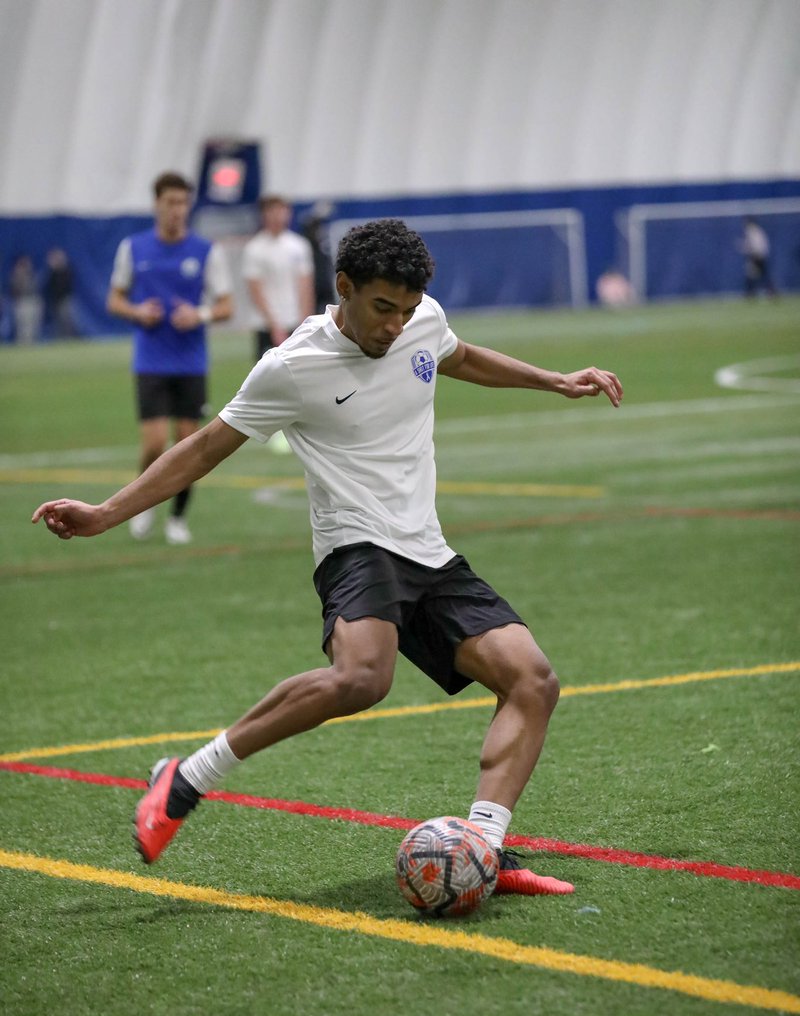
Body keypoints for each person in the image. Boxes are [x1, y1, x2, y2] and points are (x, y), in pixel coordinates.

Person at [32, 219, 623, 901]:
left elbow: (457, 356)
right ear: (343, 287)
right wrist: (107, 513)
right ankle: (188, 778)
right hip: (356, 546)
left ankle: (482, 849)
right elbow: (202, 449)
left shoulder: (421, 319)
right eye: (381, 308)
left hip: (427, 548)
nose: (396, 326)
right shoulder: (291, 366)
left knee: (533, 682)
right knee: (363, 679)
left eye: (406, 311)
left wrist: (555, 380)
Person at [107, 170, 234, 545]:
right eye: (170, 203)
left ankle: (178, 517)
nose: (177, 210)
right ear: (156, 205)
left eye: (183, 203)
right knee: (153, 443)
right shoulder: (133, 248)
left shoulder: (206, 251)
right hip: (150, 361)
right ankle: (144, 503)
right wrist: (136, 312)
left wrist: (200, 315)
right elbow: (114, 300)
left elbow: (226, 305)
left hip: (191, 362)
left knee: (187, 444)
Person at [242, 194, 315, 360]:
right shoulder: (255, 248)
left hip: (294, 322)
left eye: (281, 211)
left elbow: (305, 287)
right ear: (264, 215)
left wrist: (306, 324)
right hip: (266, 326)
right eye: (272, 211)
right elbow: (255, 291)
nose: (277, 216)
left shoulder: (299, 246)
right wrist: (274, 326)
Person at [43, 247, 80, 338]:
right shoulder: (52, 273)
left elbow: (66, 284)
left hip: (65, 299)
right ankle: (62, 338)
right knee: (58, 321)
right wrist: (52, 269)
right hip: (56, 301)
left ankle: (71, 337)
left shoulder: (66, 270)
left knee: (68, 320)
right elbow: (47, 285)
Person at [739, 217, 777, 298]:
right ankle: (752, 293)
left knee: (756, 275)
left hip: (757, 256)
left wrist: (744, 248)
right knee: (755, 275)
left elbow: (753, 246)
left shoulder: (751, 230)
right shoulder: (757, 230)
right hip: (759, 256)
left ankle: (752, 293)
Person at [10, 255, 43, 344]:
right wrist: (20, 276)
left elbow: (36, 288)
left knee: (34, 325)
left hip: (33, 301)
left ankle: (32, 343)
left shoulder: (32, 275)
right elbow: (16, 290)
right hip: (23, 302)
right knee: (23, 325)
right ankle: (23, 344)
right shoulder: (16, 276)